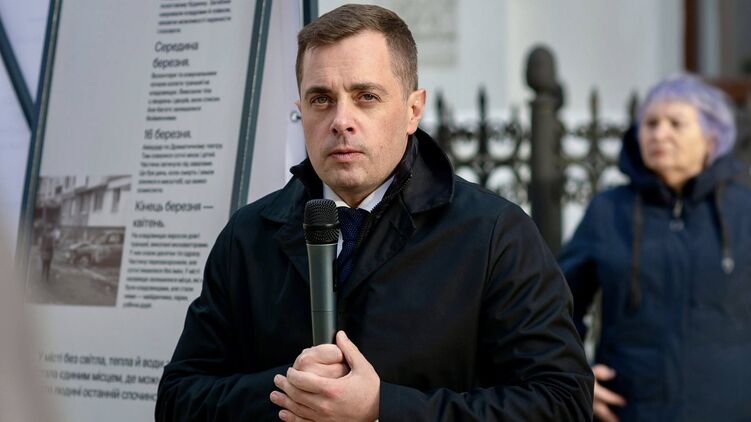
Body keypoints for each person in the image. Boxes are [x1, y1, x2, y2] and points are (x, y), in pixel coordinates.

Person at [156, 4, 593, 421]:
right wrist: (290, 395)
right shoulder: (249, 236)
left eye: (366, 96)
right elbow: (178, 399)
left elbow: (562, 401)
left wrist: (382, 408)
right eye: (321, 99)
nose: (341, 120)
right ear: (300, 112)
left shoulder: (494, 234)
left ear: (413, 110)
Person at [559, 74, 751, 421]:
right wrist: (573, 376)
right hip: (631, 411)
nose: (659, 134)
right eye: (650, 123)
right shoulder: (609, 211)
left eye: (676, 123)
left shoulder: (744, 210)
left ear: (712, 138)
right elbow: (557, 303)